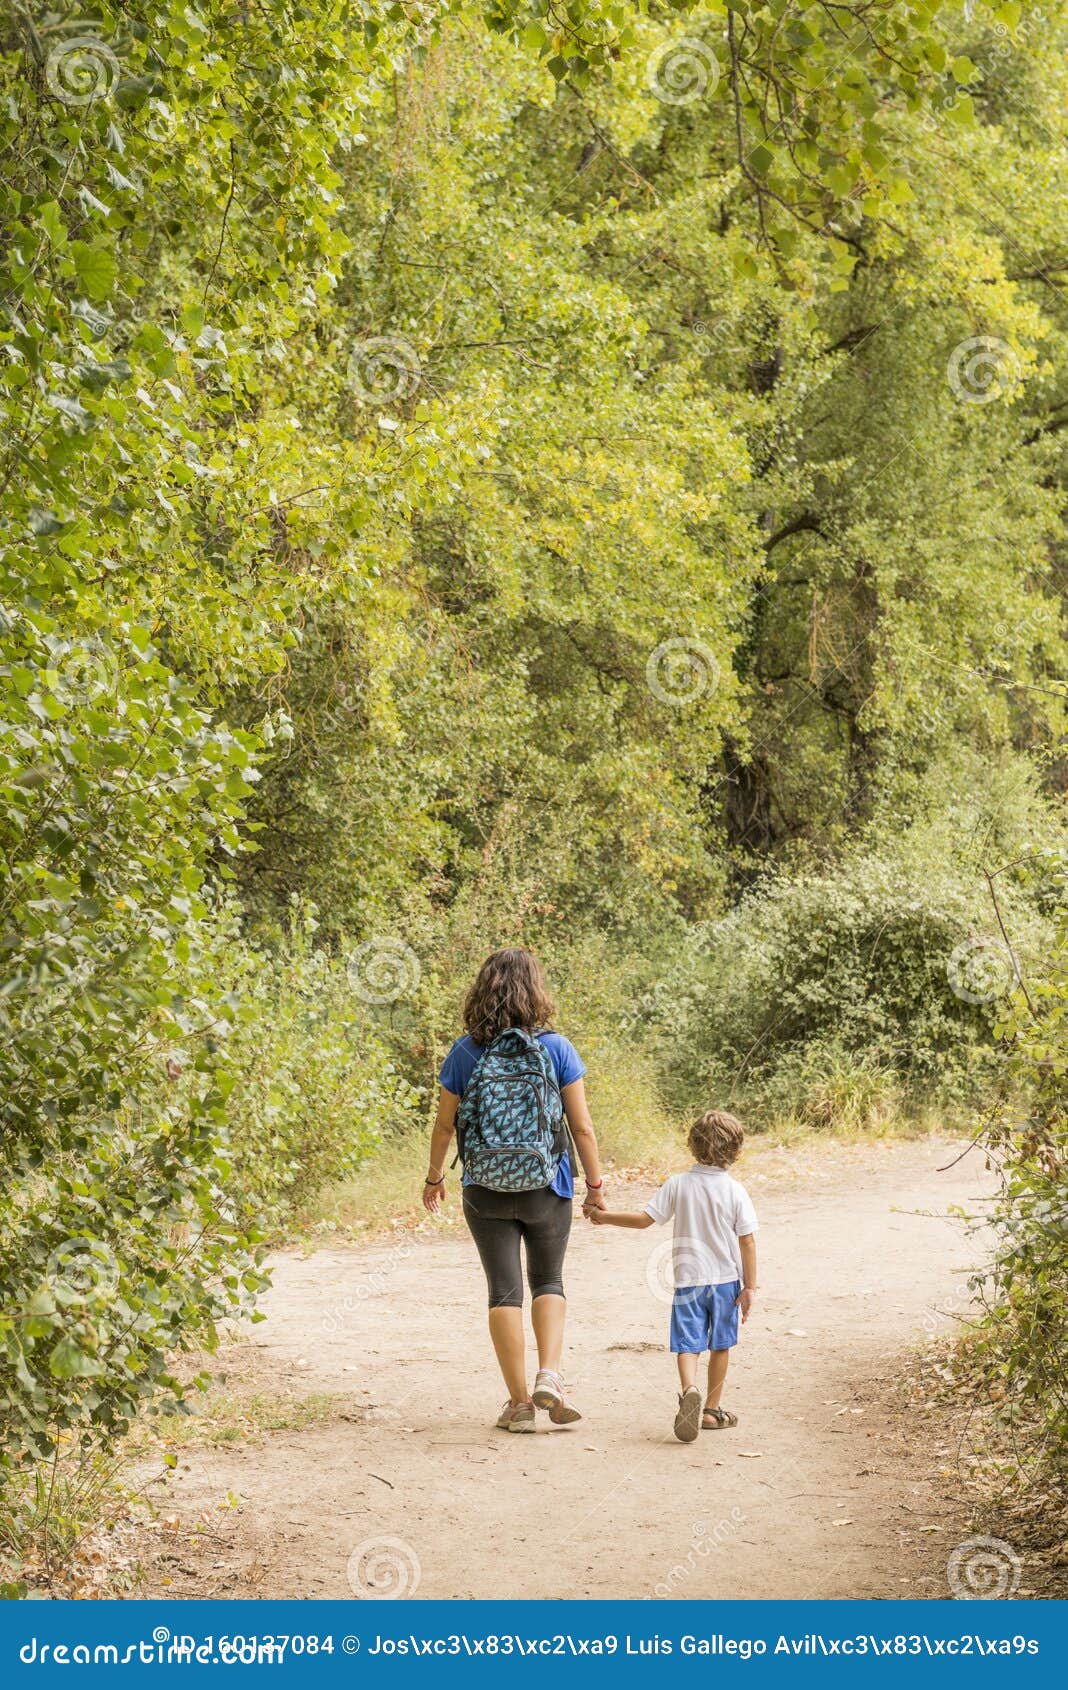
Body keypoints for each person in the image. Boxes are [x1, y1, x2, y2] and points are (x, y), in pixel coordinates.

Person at [422, 947, 606, 1432]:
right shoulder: (557, 1048)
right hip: (549, 1183)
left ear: (482, 991)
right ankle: (550, 1374)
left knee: (503, 1291)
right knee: (549, 1281)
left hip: (484, 1189)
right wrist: (595, 1185)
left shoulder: (464, 1051)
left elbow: (444, 1126)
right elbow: (582, 1127)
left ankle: (520, 1404)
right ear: (536, 991)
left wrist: (435, 1177)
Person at [588, 1109, 758, 1443]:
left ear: (693, 1146)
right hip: (725, 1282)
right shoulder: (735, 1191)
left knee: (688, 1344)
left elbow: (643, 1220)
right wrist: (750, 1286)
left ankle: (688, 1389)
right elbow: (748, 1240)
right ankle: (711, 1410)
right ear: (735, 1150)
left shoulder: (679, 1184)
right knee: (720, 1345)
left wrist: (603, 1217)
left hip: (688, 1282)